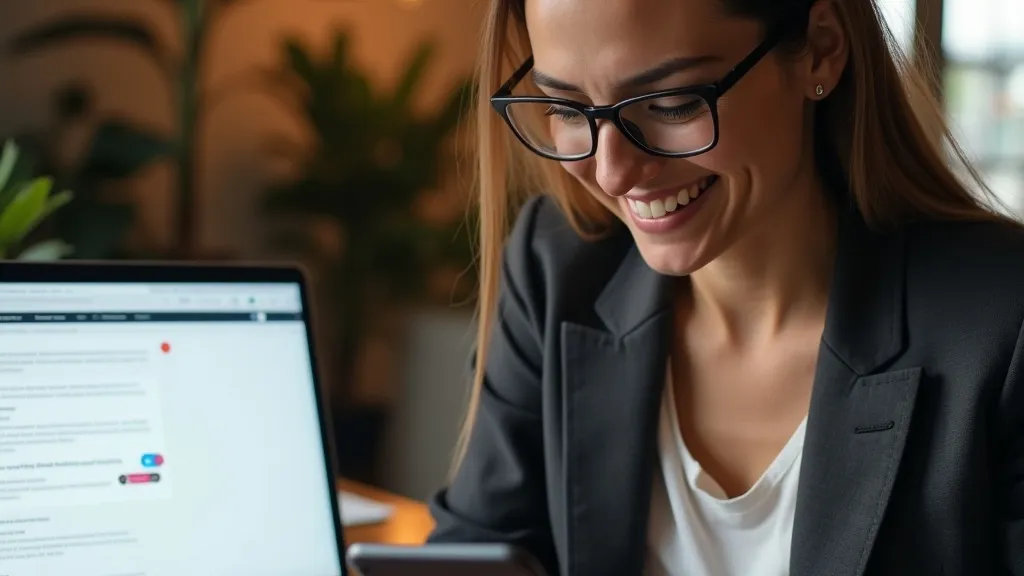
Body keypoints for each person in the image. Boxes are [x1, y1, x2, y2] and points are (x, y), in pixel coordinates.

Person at [426, 0, 1024, 574]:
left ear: (821, 49)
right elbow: (478, 551)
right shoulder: (559, 269)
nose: (612, 172)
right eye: (565, 108)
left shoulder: (1002, 324)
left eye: (672, 103)